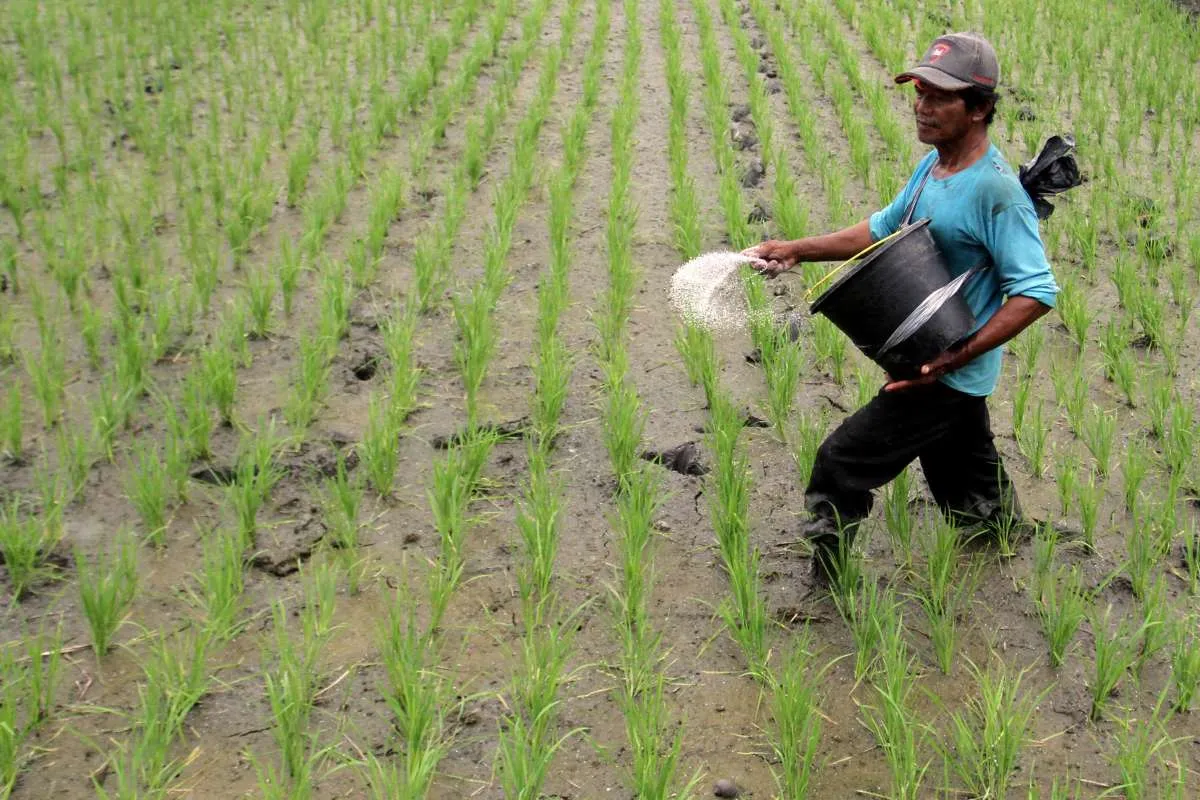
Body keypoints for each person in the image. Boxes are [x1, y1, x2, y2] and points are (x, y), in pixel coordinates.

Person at [742, 32, 1059, 586]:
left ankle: (828, 590)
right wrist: (797, 249)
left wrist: (953, 357)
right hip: (940, 366)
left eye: (940, 96)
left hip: (942, 372)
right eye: (920, 92)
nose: (923, 106)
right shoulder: (934, 170)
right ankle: (1006, 546)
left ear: (981, 108)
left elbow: (1036, 291)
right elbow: (881, 229)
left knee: (841, 463)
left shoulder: (996, 192)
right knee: (965, 482)